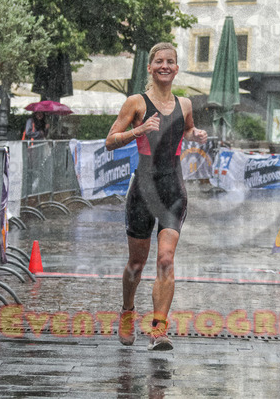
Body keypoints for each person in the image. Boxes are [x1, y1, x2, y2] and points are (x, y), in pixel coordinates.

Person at [105, 42, 207, 351]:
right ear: (150, 68)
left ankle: (158, 329)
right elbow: (110, 140)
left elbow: (185, 130)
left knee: (165, 258)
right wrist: (138, 130)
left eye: (170, 61)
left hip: (173, 189)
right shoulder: (136, 102)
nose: (165, 66)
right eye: (159, 61)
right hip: (143, 191)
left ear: (177, 68)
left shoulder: (185, 104)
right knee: (137, 263)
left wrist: (195, 134)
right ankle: (127, 310)